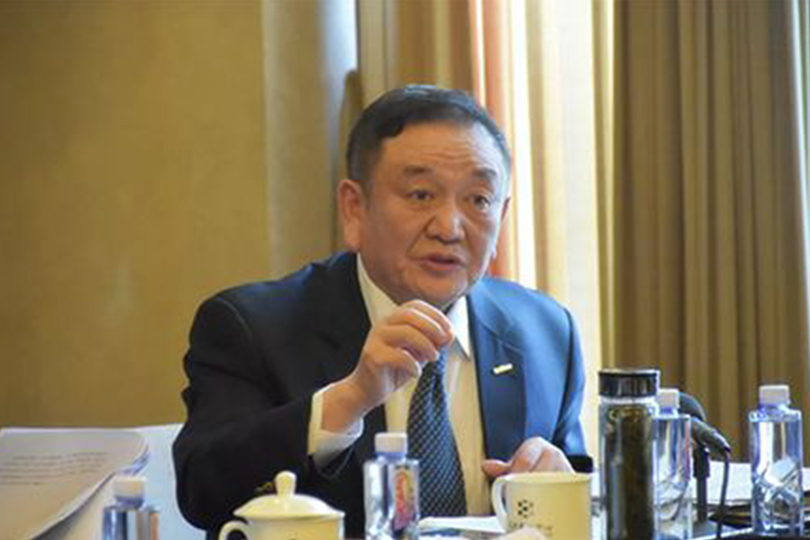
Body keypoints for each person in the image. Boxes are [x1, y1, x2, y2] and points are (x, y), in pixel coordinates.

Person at [173, 85, 587, 538]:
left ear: (501, 217)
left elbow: (582, 499)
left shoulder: (547, 334)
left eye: (478, 200)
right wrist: (348, 400)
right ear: (355, 209)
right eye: (421, 195)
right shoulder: (253, 327)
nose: (449, 228)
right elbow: (203, 494)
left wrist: (559, 481)